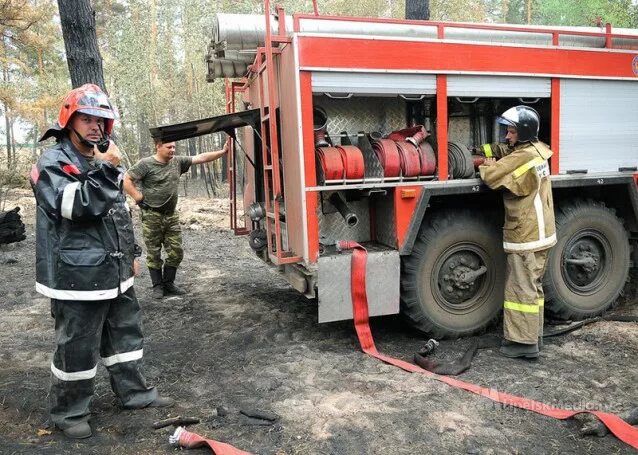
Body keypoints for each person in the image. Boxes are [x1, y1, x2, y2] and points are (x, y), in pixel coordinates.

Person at [30, 84, 173, 440]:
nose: (95, 126)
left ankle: (134, 393)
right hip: (77, 275)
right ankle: (69, 412)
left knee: (126, 335)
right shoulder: (52, 163)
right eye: (87, 118)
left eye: (101, 120)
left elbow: (118, 212)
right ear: (69, 119)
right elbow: (77, 207)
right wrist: (108, 171)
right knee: (77, 345)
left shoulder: (100, 159)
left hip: (115, 271)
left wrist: (133, 256)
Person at [476, 105, 556, 359]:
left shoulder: (521, 158)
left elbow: (492, 176)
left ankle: (522, 344)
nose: (506, 136)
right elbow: (506, 152)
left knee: (520, 289)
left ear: (522, 133)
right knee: (532, 287)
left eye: (510, 132)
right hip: (540, 231)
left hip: (525, 233)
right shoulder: (536, 150)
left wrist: (486, 164)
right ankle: (534, 337)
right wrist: (484, 150)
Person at [123, 139, 228, 299]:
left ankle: (168, 283)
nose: (172, 150)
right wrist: (137, 196)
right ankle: (157, 286)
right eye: (169, 147)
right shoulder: (145, 164)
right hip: (152, 215)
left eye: (174, 147)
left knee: (176, 252)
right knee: (154, 251)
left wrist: (222, 152)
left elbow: (201, 157)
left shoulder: (177, 162)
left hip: (171, 215)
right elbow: (127, 179)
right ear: (158, 146)